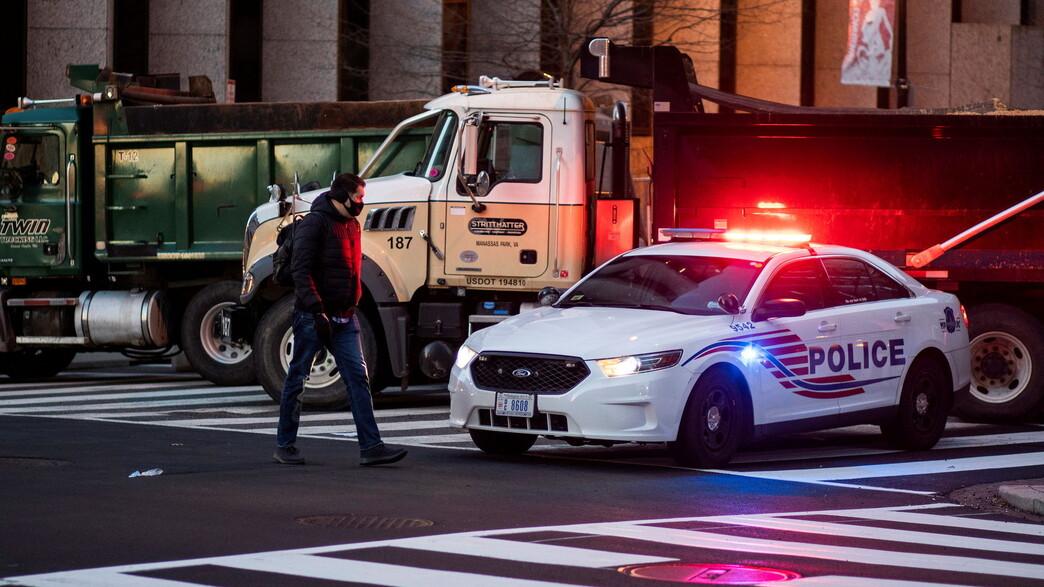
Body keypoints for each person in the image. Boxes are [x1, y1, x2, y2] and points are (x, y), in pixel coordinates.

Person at [273, 173, 407, 466]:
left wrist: (354, 300)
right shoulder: (315, 223)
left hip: (346, 317)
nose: (362, 202)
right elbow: (300, 270)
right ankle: (284, 445)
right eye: (359, 196)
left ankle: (371, 447)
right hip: (312, 317)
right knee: (297, 378)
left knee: (359, 379)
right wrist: (317, 310)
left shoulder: (352, 224)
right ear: (343, 196)